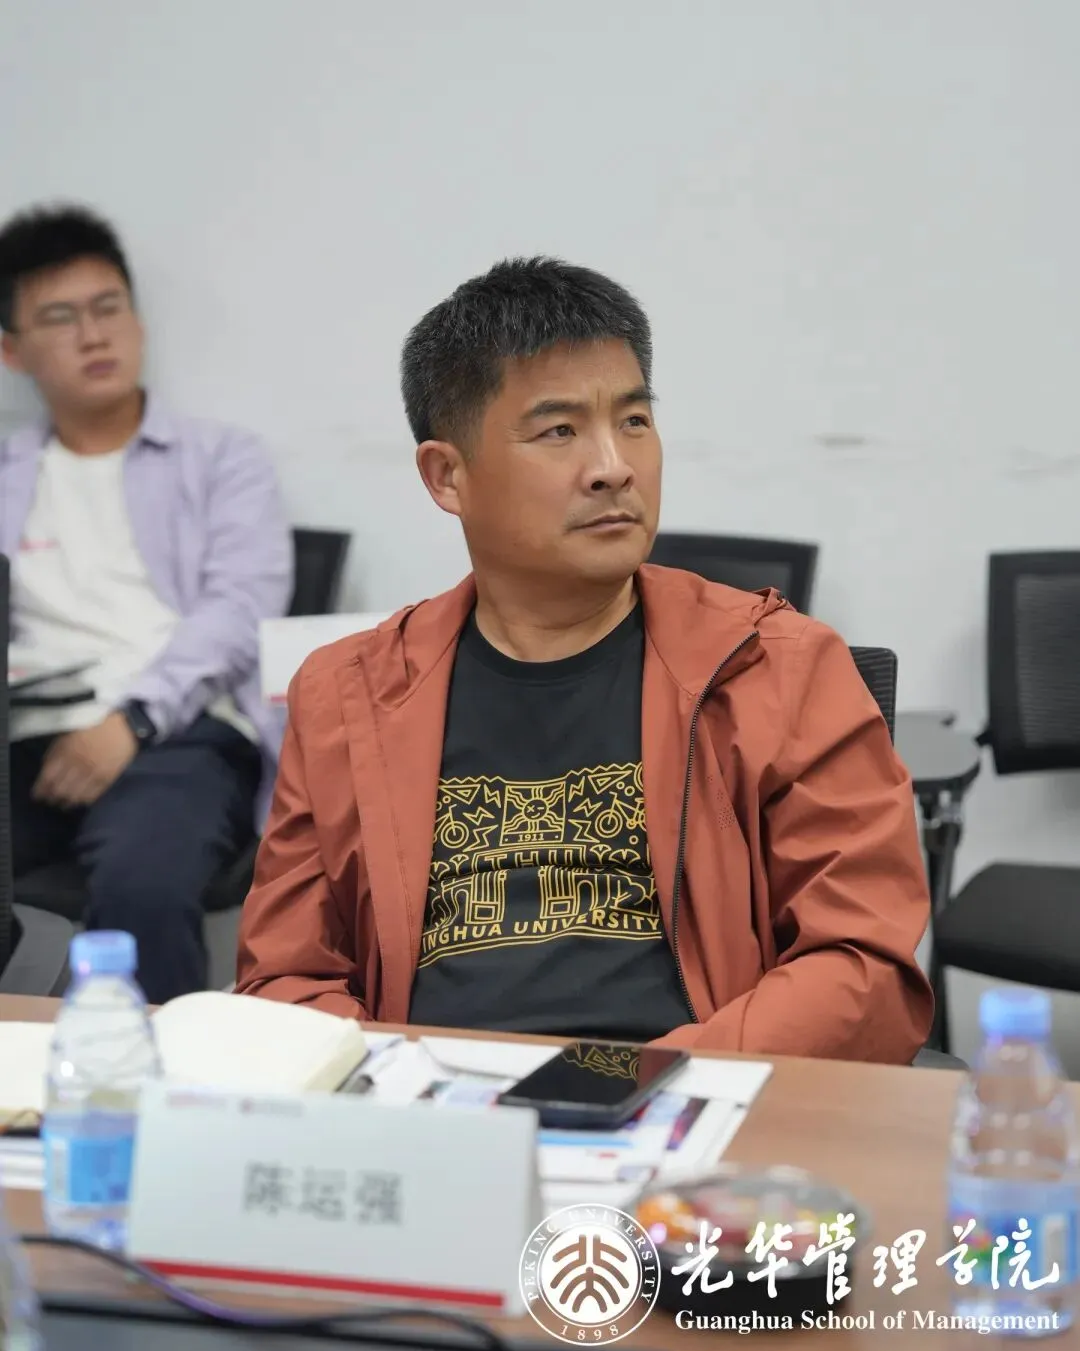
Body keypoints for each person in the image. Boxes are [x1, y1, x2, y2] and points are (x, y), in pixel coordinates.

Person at [237, 256, 933, 1060]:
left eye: (633, 420)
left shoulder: (779, 668)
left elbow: (863, 965)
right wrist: (405, 1092)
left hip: (696, 1101)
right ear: (447, 475)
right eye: (559, 431)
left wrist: (644, 1081)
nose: (614, 466)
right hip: (437, 1106)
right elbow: (285, 979)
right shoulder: (347, 694)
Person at [0, 204, 292, 1001]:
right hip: (24, 739)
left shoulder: (221, 459)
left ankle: (150, 1075)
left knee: (143, 888)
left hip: (176, 733)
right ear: (12, 349)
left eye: (108, 307)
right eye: (60, 318)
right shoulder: (9, 473)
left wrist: (129, 722)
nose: (93, 335)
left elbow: (238, 613)